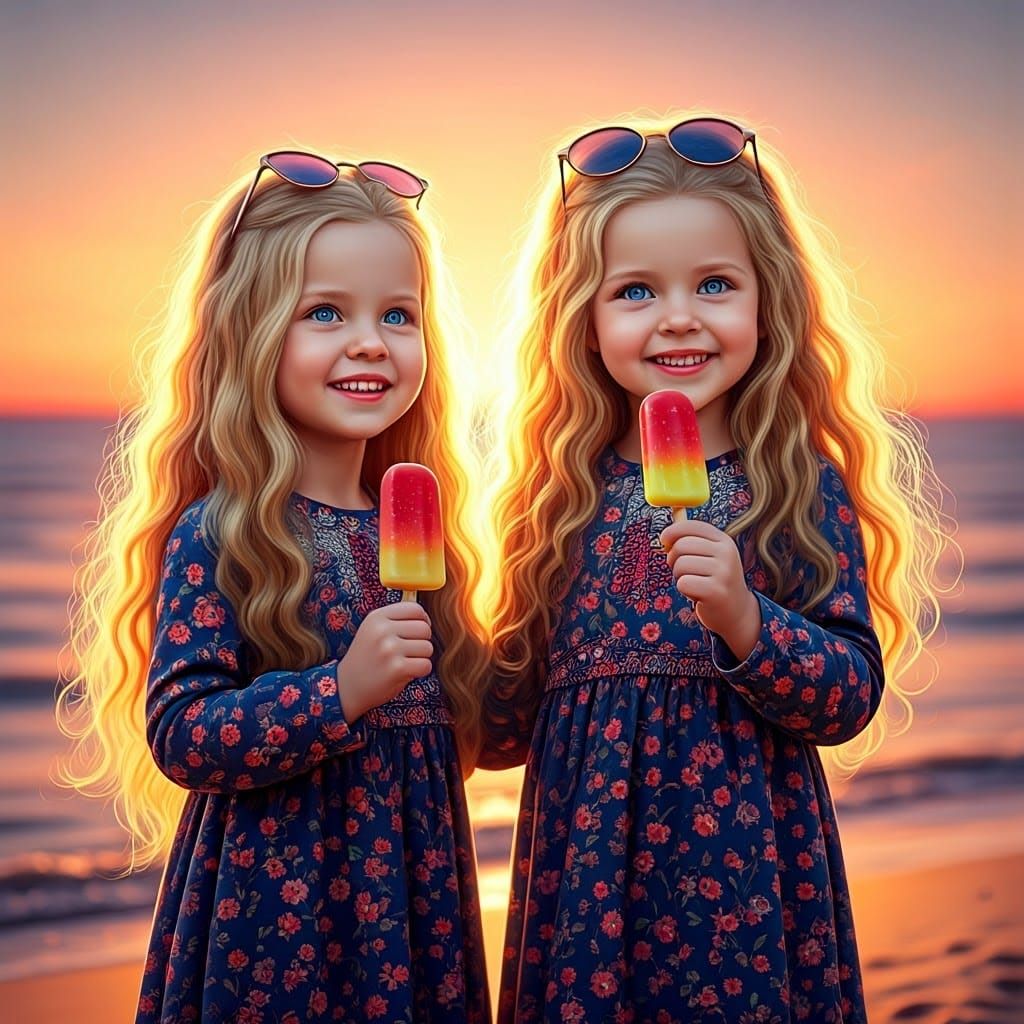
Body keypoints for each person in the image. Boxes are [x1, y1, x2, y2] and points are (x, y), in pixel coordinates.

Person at [479, 114, 952, 1022]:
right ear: (578, 315)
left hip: (747, 903)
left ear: (769, 299)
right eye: (635, 293)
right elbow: (504, 728)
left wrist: (746, 615)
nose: (679, 317)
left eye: (715, 284)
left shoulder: (796, 486)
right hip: (585, 908)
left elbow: (849, 696)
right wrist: (425, 652)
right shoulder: (555, 500)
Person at [57, 150, 491, 1023]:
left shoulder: (420, 531)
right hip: (276, 926)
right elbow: (184, 733)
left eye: (398, 314)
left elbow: (473, 730)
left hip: (414, 916)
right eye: (325, 312)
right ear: (251, 335)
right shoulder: (222, 533)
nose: (371, 340)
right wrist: (341, 691)